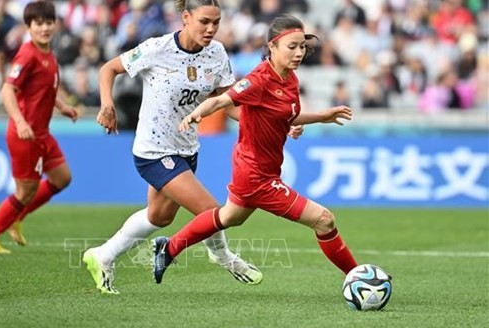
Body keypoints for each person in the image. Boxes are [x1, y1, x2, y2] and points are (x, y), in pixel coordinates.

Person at [83, 0, 289, 294]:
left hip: (187, 147)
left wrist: (273, 122)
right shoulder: (158, 48)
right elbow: (108, 69)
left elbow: (226, 102)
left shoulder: (217, 54)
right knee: (210, 210)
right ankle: (224, 257)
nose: (210, 29)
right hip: (154, 150)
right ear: (186, 17)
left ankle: (102, 256)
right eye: (204, 21)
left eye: (216, 22)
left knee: (159, 217)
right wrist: (107, 105)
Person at [152, 14, 358, 284]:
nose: (299, 53)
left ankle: (169, 248)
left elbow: (283, 115)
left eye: (302, 46)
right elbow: (221, 101)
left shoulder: (290, 79)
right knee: (324, 219)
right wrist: (195, 115)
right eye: (292, 46)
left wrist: (318, 117)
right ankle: (357, 276)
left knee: (229, 217)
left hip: (258, 167)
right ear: (272, 46)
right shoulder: (258, 81)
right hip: (256, 175)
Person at [0, 0, 79, 254]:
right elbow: (7, 90)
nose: (44, 28)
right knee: (26, 190)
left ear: (55, 24)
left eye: (48, 22)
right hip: (26, 134)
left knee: (62, 178)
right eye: (38, 23)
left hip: (42, 133)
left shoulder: (49, 56)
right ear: (29, 26)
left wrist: (62, 106)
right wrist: (20, 121)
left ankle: (17, 218)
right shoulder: (28, 54)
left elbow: (43, 91)